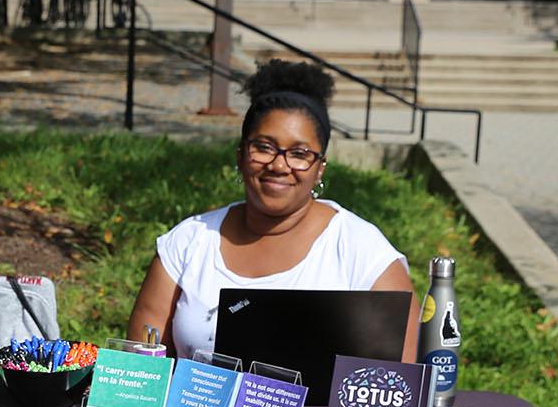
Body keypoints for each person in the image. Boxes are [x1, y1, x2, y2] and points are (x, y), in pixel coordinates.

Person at [126, 60, 411, 358]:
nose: (278, 165)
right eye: (263, 147)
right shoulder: (189, 242)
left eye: (299, 154)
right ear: (240, 156)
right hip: (192, 405)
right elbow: (142, 371)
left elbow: (400, 378)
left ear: (320, 168)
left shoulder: (362, 251)